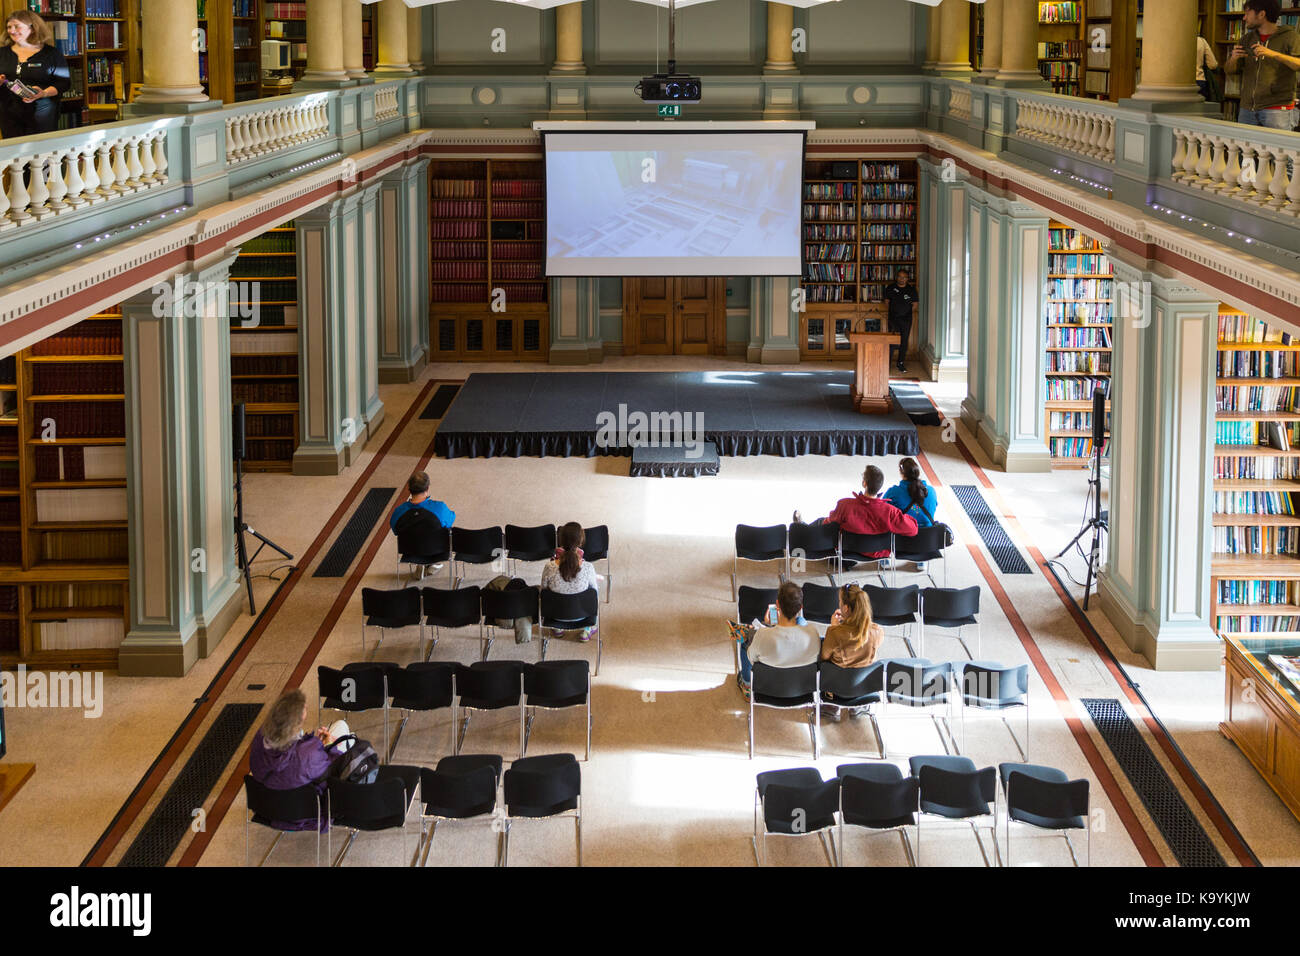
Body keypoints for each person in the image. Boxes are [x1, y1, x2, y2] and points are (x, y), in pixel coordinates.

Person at [249, 688, 349, 832]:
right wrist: (329, 746)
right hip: (306, 813)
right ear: (296, 724)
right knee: (342, 728)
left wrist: (312, 745)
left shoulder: (260, 737)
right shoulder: (307, 755)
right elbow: (335, 770)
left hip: (269, 808)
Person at [793, 464, 919, 559]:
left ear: (864, 483)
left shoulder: (845, 504)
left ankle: (801, 531)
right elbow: (913, 529)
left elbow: (829, 523)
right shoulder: (891, 512)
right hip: (876, 552)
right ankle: (803, 528)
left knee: (822, 522)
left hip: (848, 549)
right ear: (880, 487)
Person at [1225, 0, 1300, 130]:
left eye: (1247, 13)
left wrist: (1272, 54)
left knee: (1276, 149)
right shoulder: (1246, 39)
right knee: (1245, 149)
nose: (1244, 18)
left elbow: (1298, 65)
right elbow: (1230, 71)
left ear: (1261, 14)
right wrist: (1233, 59)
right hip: (1247, 109)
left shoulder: (1290, 37)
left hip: (1277, 109)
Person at [736, 580, 820, 694]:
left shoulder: (762, 635)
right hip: (801, 689)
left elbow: (751, 659)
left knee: (745, 644)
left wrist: (767, 626)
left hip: (768, 689)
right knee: (800, 621)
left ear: (778, 604)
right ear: (801, 608)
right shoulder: (813, 633)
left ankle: (747, 685)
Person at [0, 11, 71, 139]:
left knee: (41, 155)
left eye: (17, 26)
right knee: (14, 156)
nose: (12, 30)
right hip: (9, 116)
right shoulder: (2, 53)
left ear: (32, 28)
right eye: (9, 27)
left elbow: (64, 83)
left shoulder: (51, 54)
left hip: (42, 115)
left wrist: (43, 93)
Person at [820, 583, 886, 719]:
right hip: (863, 687)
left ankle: (832, 707)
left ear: (845, 608)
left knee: (824, 662)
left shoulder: (834, 633)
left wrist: (834, 627)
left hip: (838, 689)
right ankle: (858, 707)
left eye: (839, 601)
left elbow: (824, 656)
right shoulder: (877, 632)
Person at [540, 521, 599, 642]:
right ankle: (587, 629)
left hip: (555, 615)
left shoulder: (549, 567)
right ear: (581, 542)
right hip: (583, 615)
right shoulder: (588, 567)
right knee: (593, 591)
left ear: (561, 541)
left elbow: (543, 591)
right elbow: (595, 594)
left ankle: (557, 629)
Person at [389, 470, 455, 532]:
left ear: (409, 489)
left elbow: (395, 530)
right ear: (427, 487)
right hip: (433, 543)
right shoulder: (440, 508)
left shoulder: (398, 512)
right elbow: (450, 520)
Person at [883, 457, 939, 528]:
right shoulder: (931, 491)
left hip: (904, 535)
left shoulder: (893, 492)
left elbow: (882, 510)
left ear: (902, 473)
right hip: (928, 535)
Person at [883, 268, 919, 374]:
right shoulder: (890, 288)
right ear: (896, 277)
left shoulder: (911, 290)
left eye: (904, 277)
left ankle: (900, 363)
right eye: (899, 276)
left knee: (904, 341)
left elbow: (915, 305)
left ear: (907, 278)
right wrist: (895, 311)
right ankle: (887, 363)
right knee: (892, 340)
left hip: (906, 319)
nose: (901, 279)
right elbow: (886, 302)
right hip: (893, 319)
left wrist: (905, 312)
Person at [1196, 34, 1220, 101]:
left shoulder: (1174, 40)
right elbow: (1213, 65)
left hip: (1180, 83)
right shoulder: (1201, 40)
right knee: (1198, 109)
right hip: (1199, 80)